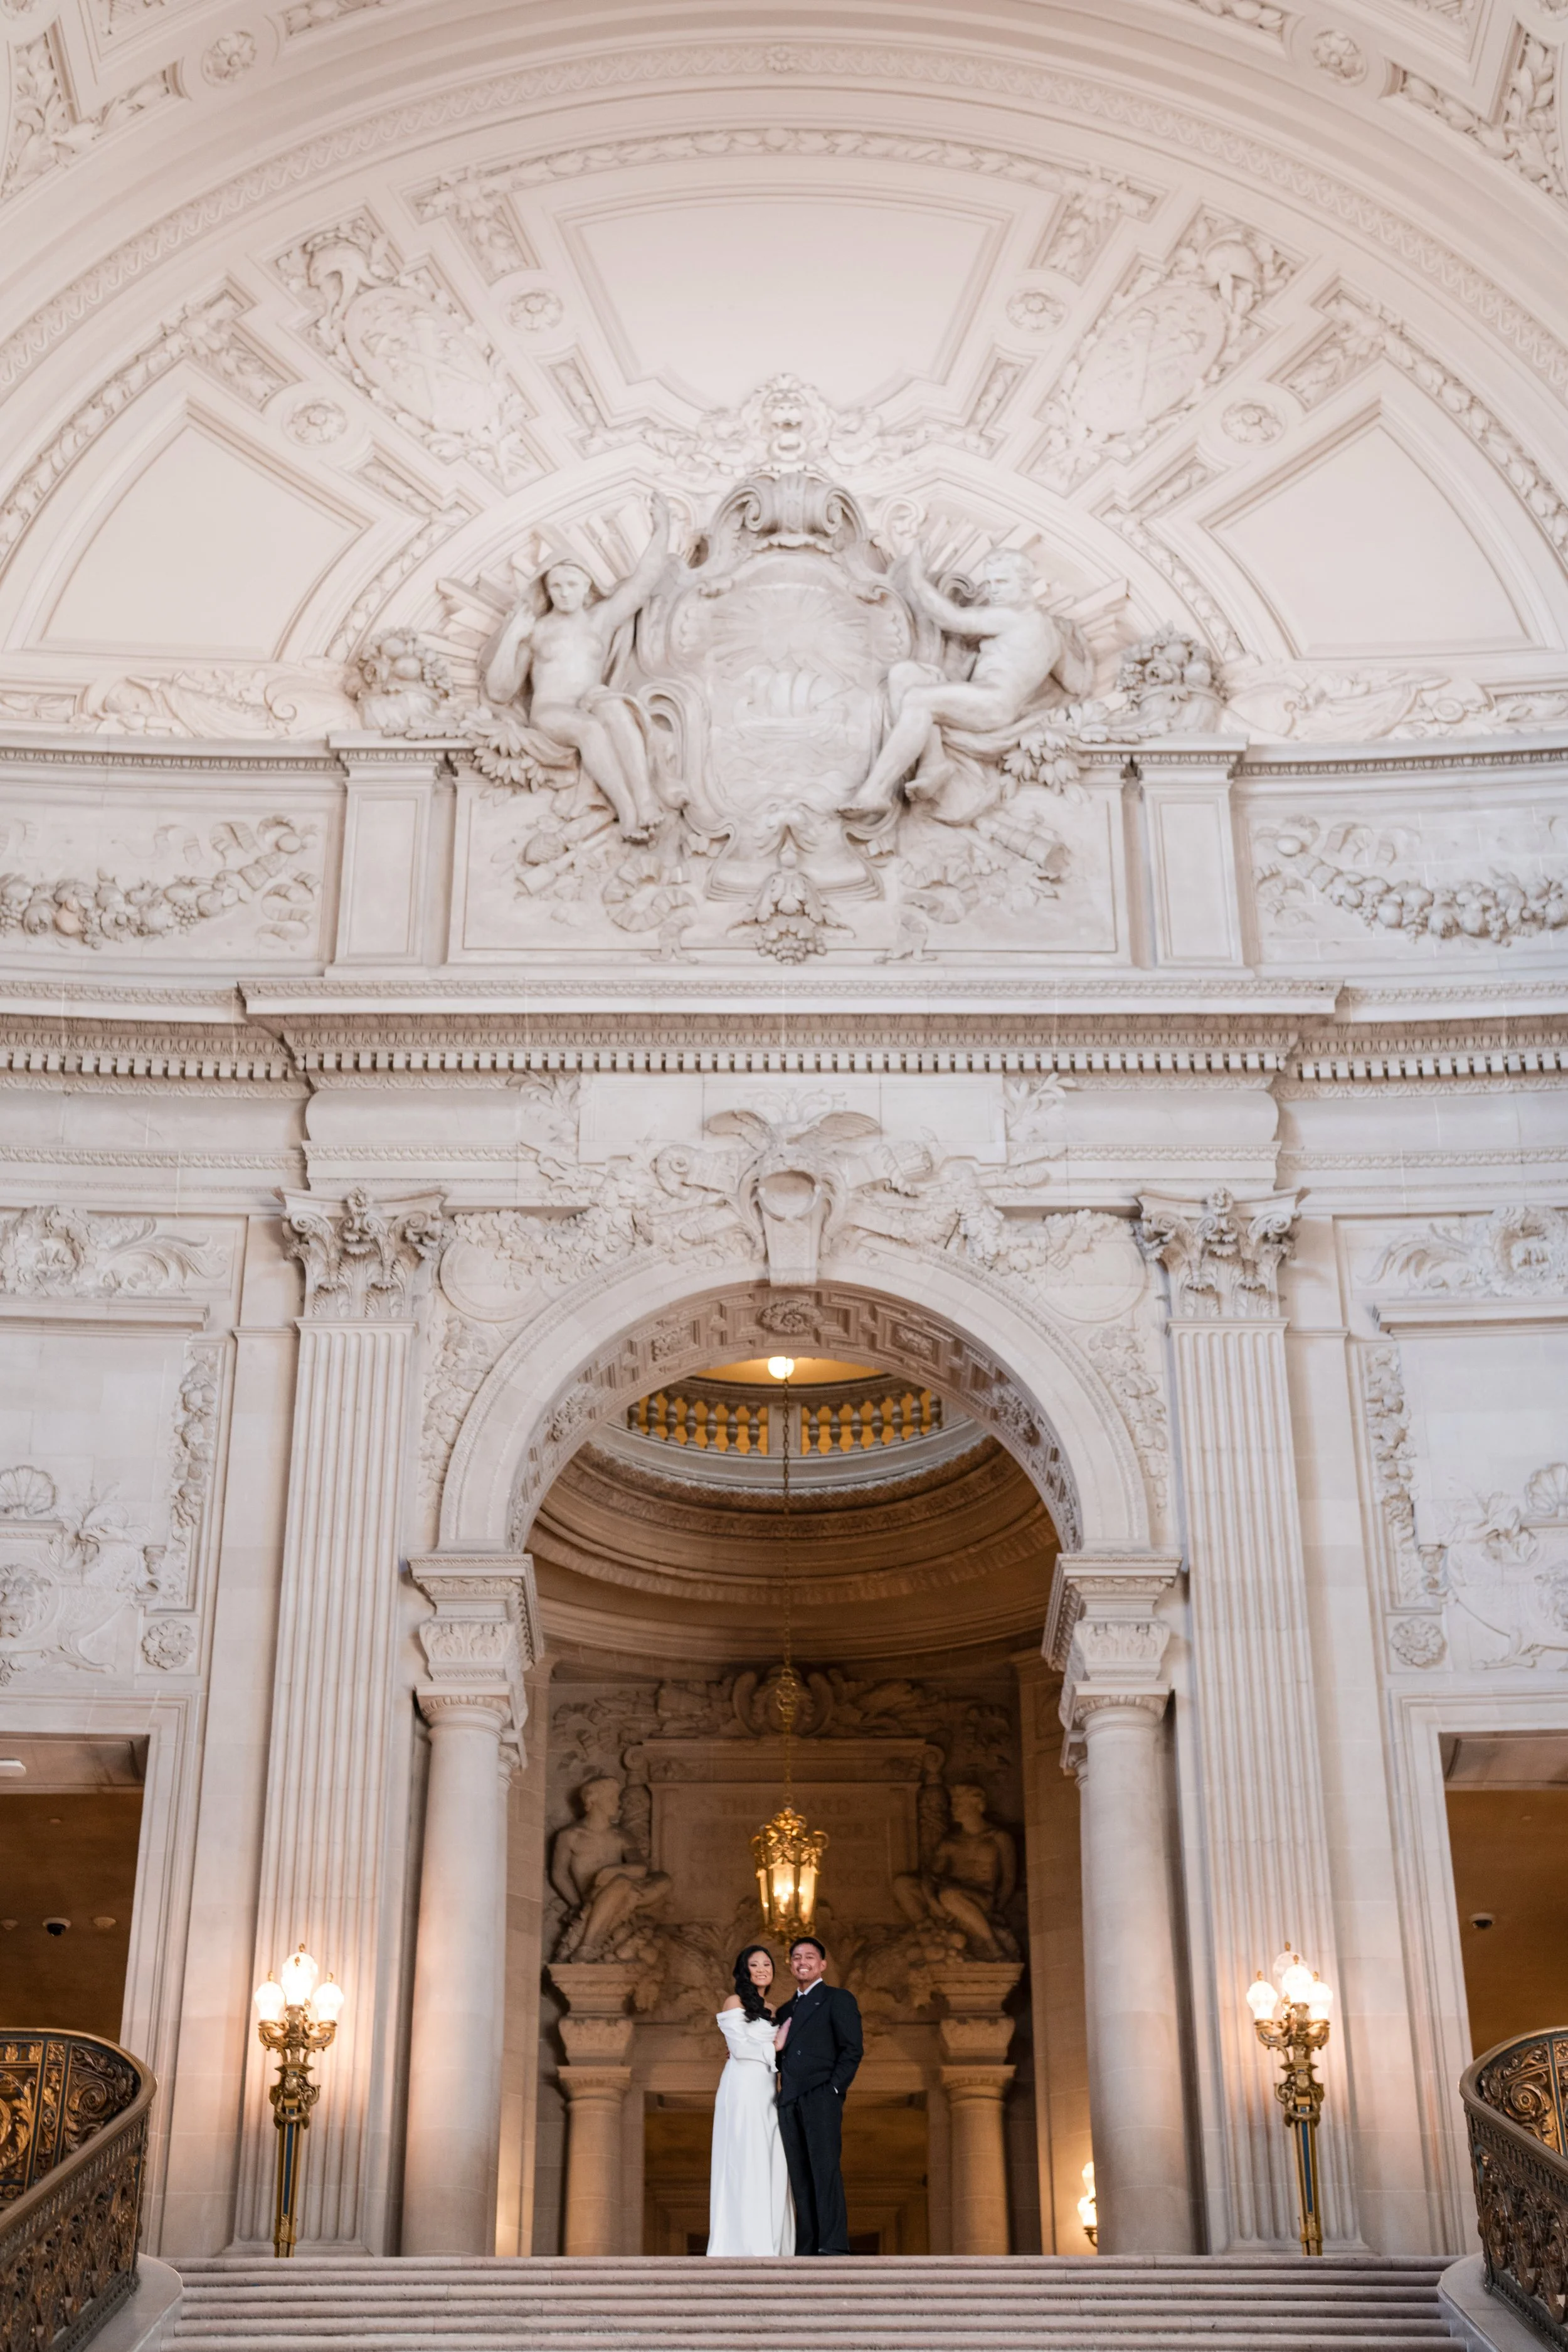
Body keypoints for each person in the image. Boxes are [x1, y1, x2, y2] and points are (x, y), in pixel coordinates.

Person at [773, 1934, 863, 2257]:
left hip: (821, 2095)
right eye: (796, 1957)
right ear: (790, 1965)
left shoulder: (837, 1999)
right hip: (789, 2099)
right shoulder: (784, 2010)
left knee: (825, 2169)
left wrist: (834, 2089)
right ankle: (808, 2247)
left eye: (809, 1957)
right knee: (799, 2175)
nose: (803, 1962)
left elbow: (852, 2050)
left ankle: (833, 2245)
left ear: (822, 1964)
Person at [707, 1944, 793, 2257]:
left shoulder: (773, 2008)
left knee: (769, 2156)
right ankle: (741, 2243)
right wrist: (777, 2045)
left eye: (767, 1964)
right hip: (742, 2086)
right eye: (754, 1964)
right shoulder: (734, 2001)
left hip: (768, 2088)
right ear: (744, 1970)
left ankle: (768, 2241)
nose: (761, 1968)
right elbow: (740, 2050)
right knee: (743, 2156)